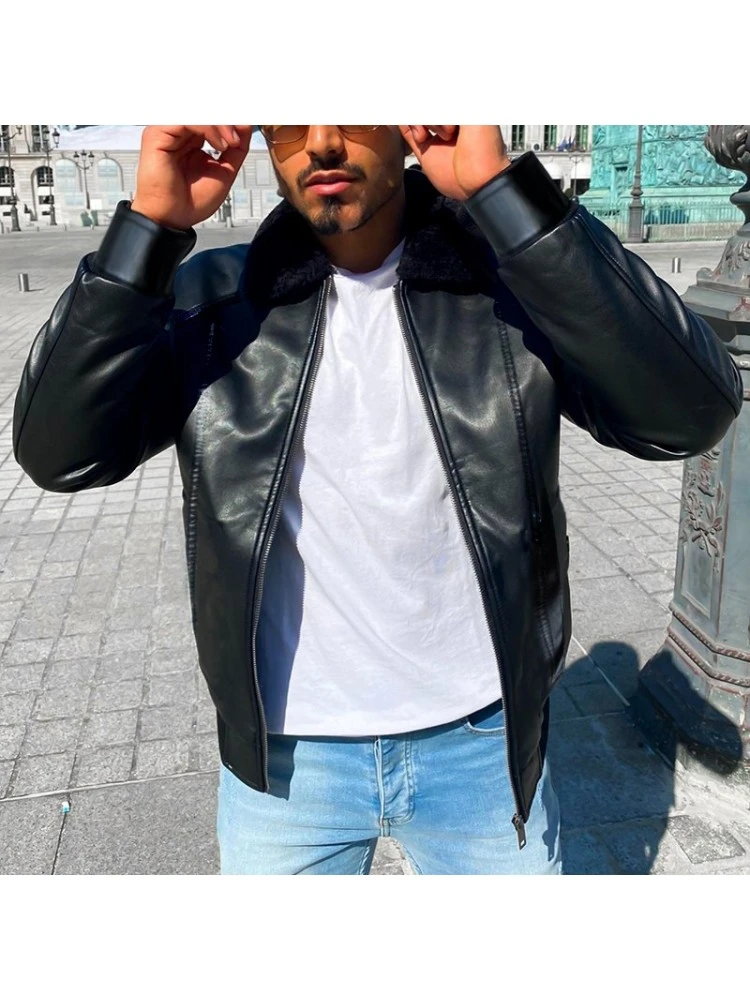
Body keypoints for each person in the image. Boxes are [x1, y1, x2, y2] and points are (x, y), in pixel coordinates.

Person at [13, 125, 742, 875]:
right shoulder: (213, 301)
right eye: (293, 118)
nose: (324, 141)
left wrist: (506, 198)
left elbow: (687, 414)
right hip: (286, 763)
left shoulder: (502, 283)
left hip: (482, 747)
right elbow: (62, 456)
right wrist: (148, 231)